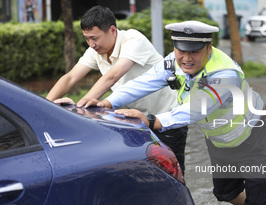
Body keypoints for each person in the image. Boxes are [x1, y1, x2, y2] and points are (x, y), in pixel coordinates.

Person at [78, 20, 266, 205]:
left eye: (194, 51)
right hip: (220, 139)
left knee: (260, 203)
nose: (186, 58)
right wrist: (105, 102)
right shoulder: (173, 62)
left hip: (254, 135)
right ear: (174, 48)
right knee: (225, 193)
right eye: (181, 50)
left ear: (208, 49)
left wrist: (152, 120)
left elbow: (195, 110)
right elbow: (143, 82)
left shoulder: (226, 75)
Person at [47, 6, 188, 172]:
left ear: (112, 30)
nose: (91, 44)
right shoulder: (96, 50)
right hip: (133, 119)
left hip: (165, 118)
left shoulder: (133, 40)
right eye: (86, 39)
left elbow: (112, 76)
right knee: (139, 171)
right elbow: (70, 78)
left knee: (171, 173)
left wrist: (80, 111)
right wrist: (44, 106)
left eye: (94, 38)